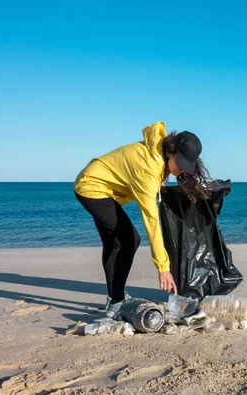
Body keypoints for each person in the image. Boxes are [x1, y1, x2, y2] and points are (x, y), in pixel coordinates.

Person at [74, 121, 211, 316]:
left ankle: (116, 298)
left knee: (114, 243)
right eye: (180, 162)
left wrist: (159, 181)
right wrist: (163, 268)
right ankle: (116, 300)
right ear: (171, 151)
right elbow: (151, 220)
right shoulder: (147, 168)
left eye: (186, 165)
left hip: (101, 185)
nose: (182, 169)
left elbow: (150, 172)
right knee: (129, 240)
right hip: (92, 188)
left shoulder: (157, 151)